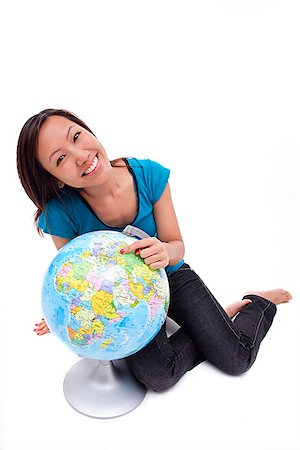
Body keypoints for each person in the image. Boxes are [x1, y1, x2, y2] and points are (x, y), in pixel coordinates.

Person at [17, 108, 292, 392]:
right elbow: (72, 276)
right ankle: (218, 317)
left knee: (238, 358)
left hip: (170, 274)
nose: (80, 155)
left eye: (76, 136)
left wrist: (164, 250)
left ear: (88, 130)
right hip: (124, 302)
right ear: (55, 179)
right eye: (60, 159)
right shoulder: (61, 213)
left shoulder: (148, 174)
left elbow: (177, 246)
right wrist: (64, 314)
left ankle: (257, 302)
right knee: (159, 377)